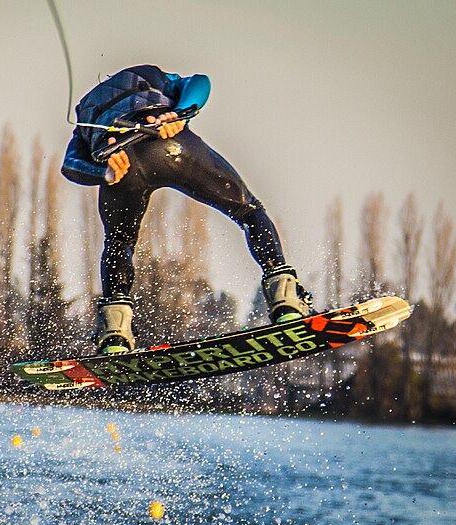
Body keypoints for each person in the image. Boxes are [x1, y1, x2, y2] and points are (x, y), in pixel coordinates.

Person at [61, 64, 312, 355]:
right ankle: (285, 301)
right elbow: (200, 82)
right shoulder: (148, 75)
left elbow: (70, 166)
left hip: (120, 164)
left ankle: (114, 335)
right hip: (168, 141)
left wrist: (103, 173)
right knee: (249, 211)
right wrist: (181, 113)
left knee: (118, 243)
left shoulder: (85, 111)